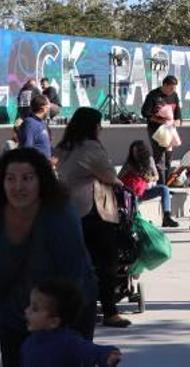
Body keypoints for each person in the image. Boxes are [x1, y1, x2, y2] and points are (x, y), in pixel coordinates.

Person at [0, 148, 97, 366]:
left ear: (40, 180)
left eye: (27, 178)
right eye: (10, 178)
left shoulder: (59, 214)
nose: (18, 187)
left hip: (63, 315)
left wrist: (57, 323)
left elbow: (74, 273)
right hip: (14, 315)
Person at [55, 108, 131, 328]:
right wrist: (119, 184)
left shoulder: (64, 147)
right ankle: (110, 311)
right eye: (98, 125)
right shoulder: (91, 148)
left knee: (74, 263)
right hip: (92, 211)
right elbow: (109, 175)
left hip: (67, 211)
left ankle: (69, 310)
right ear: (92, 126)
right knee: (106, 262)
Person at [21, 279, 121, 367]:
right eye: (29, 305)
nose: (26, 310)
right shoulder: (29, 342)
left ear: (54, 322)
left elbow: (89, 350)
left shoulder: (67, 342)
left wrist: (107, 354)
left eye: (35, 309)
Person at [118, 140, 179, 228]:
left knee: (164, 189)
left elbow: (156, 176)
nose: (135, 154)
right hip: (131, 193)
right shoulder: (129, 164)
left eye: (137, 152)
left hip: (144, 190)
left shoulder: (149, 160)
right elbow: (119, 177)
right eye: (133, 152)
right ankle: (135, 219)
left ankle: (167, 216)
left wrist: (147, 177)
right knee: (132, 197)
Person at [141, 76, 182, 185]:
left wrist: (177, 121)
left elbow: (178, 113)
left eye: (174, 88)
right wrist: (161, 121)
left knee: (168, 158)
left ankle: (166, 185)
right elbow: (145, 113)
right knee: (159, 158)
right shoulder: (153, 95)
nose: (173, 91)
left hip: (170, 130)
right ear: (164, 85)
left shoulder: (174, 96)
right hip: (156, 130)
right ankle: (161, 186)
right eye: (171, 88)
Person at [17, 95, 52, 160]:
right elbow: (27, 149)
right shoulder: (29, 123)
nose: (49, 110)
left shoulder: (42, 123)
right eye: (48, 107)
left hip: (46, 166)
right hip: (37, 167)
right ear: (43, 108)